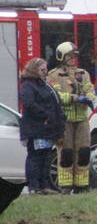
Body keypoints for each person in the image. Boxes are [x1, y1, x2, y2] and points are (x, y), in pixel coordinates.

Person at [47, 41, 95, 193]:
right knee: (66, 153)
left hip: (82, 119)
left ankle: (82, 185)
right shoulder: (54, 75)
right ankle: (66, 185)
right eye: (70, 56)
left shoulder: (83, 74)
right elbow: (56, 96)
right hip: (65, 119)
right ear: (62, 57)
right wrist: (75, 98)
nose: (74, 59)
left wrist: (89, 97)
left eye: (75, 56)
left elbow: (90, 89)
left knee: (84, 151)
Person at [18, 57, 64, 194]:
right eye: (42, 70)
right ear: (34, 70)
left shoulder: (44, 85)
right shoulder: (28, 85)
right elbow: (29, 104)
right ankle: (34, 186)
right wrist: (45, 115)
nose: (45, 72)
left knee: (46, 157)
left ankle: (44, 185)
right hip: (36, 129)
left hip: (47, 129)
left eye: (46, 69)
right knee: (35, 157)